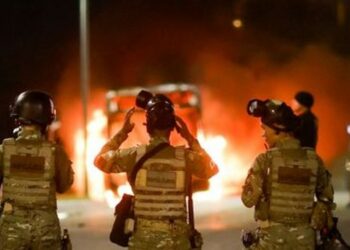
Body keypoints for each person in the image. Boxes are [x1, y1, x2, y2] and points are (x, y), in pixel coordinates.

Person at [94, 90, 218, 250]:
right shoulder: (185, 158)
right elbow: (212, 168)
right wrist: (189, 138)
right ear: (173, 127)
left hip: (142, 243)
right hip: (177, 243)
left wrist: (122, 133)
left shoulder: (134, 156)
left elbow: (100, 160)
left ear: (148, 127)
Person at [241, 99, 334, 250]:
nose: (263, 134)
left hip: (271, 241)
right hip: (305, 241)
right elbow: (327, 197)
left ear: (279, 129)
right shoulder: (314, 159)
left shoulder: (264, 161)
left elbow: (248, 200)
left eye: (265, 129)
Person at [0, 90, 74, 250]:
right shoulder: (55, 152)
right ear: (47, 121)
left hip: (12, 231)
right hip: (46, 231)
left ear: (18, 119)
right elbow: (65, 185)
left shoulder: (5, 150)